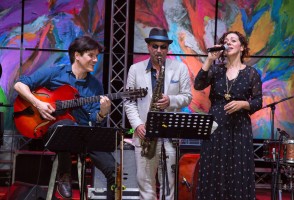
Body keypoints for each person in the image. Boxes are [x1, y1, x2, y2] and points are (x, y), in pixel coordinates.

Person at [14, 36, 116, 200]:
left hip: (84, 134)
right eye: (91, 55)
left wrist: (103, 113)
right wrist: (38, 103)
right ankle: (65, 175)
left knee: (113, 169)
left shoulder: (96, 86)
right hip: (56, 132)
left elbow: (95, 120)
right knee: (66, 125)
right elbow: (19, 85)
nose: (95, 60)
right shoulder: (56, 72)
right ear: (77, 55)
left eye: (97, 56)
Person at [124, 28, 192, 200]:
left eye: (163, 47)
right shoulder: (135, 69)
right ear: (148, 47)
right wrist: (138, 125)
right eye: (155, 46)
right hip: (144, 134)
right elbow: (129, 102)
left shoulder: (180, 68)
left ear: (167, 48)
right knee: (145, 183)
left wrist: (171, 100)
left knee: (169, 185)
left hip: (169, 134)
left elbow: (187, 97)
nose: (159, 50)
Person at [194, 31, 262, 199]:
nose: (229, 43)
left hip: (239, 128)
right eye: (226, 41)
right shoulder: (216, 70)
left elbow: (258, 101)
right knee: (213, 169)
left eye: (233, 40)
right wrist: (210, 59)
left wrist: (243, 104)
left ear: (242, 47)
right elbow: (198, 84)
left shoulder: (251, 73)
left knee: (238, 171)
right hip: (216, 127)